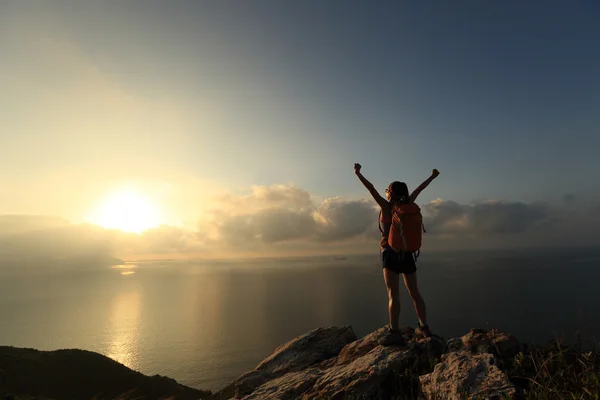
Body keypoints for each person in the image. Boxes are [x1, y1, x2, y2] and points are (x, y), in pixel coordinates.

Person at [354, 163, 440, 345]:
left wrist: (358, 173)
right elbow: (420, 188)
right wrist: (432, 177)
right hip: (408, 253)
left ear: (390, 194)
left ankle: (394, 332)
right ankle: (424, 327)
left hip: (390, 254)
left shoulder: (386, 207)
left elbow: (370, 189)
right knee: (415, 293)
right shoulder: (409, 204)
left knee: (394, 295)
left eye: (388, 191)